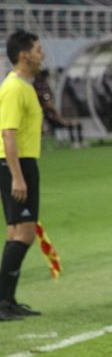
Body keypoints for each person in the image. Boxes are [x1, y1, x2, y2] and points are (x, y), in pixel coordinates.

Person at [0, 30, 45, 321]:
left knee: (16, 232)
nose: (42, 55)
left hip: (21, 163)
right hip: (15, 164)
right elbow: (8, 132)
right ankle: (2, 301)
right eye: (39, 50)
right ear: (24, 54)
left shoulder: (25, 86)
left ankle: (7, 301)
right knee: (25, 233)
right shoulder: (14, 88)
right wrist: (17, 176)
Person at [34, 69, 85, 148]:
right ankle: (75, 142)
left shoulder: (44, 87)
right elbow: (48, 102)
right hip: (53, 120)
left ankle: (78, 141)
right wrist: (59, 117)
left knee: (75, 123)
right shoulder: (46, 108)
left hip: (55, 118)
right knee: (72, 123)